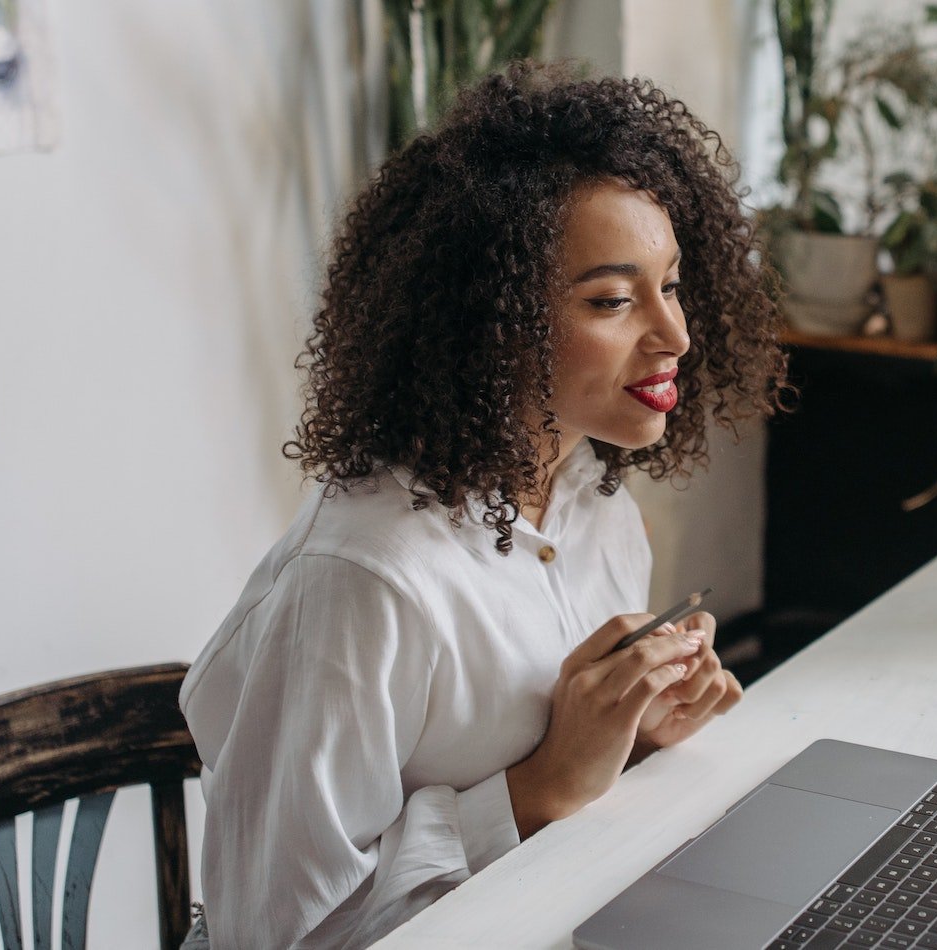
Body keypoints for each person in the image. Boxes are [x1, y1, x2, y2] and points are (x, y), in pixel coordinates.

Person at [178, 63, 787, 949]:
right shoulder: (363, 580)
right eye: (613, 300)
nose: (676, 335)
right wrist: (541, 787)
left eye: (674, 283)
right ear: (493, 322)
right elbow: (279, 934)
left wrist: (635, 730)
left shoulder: (594, 501)